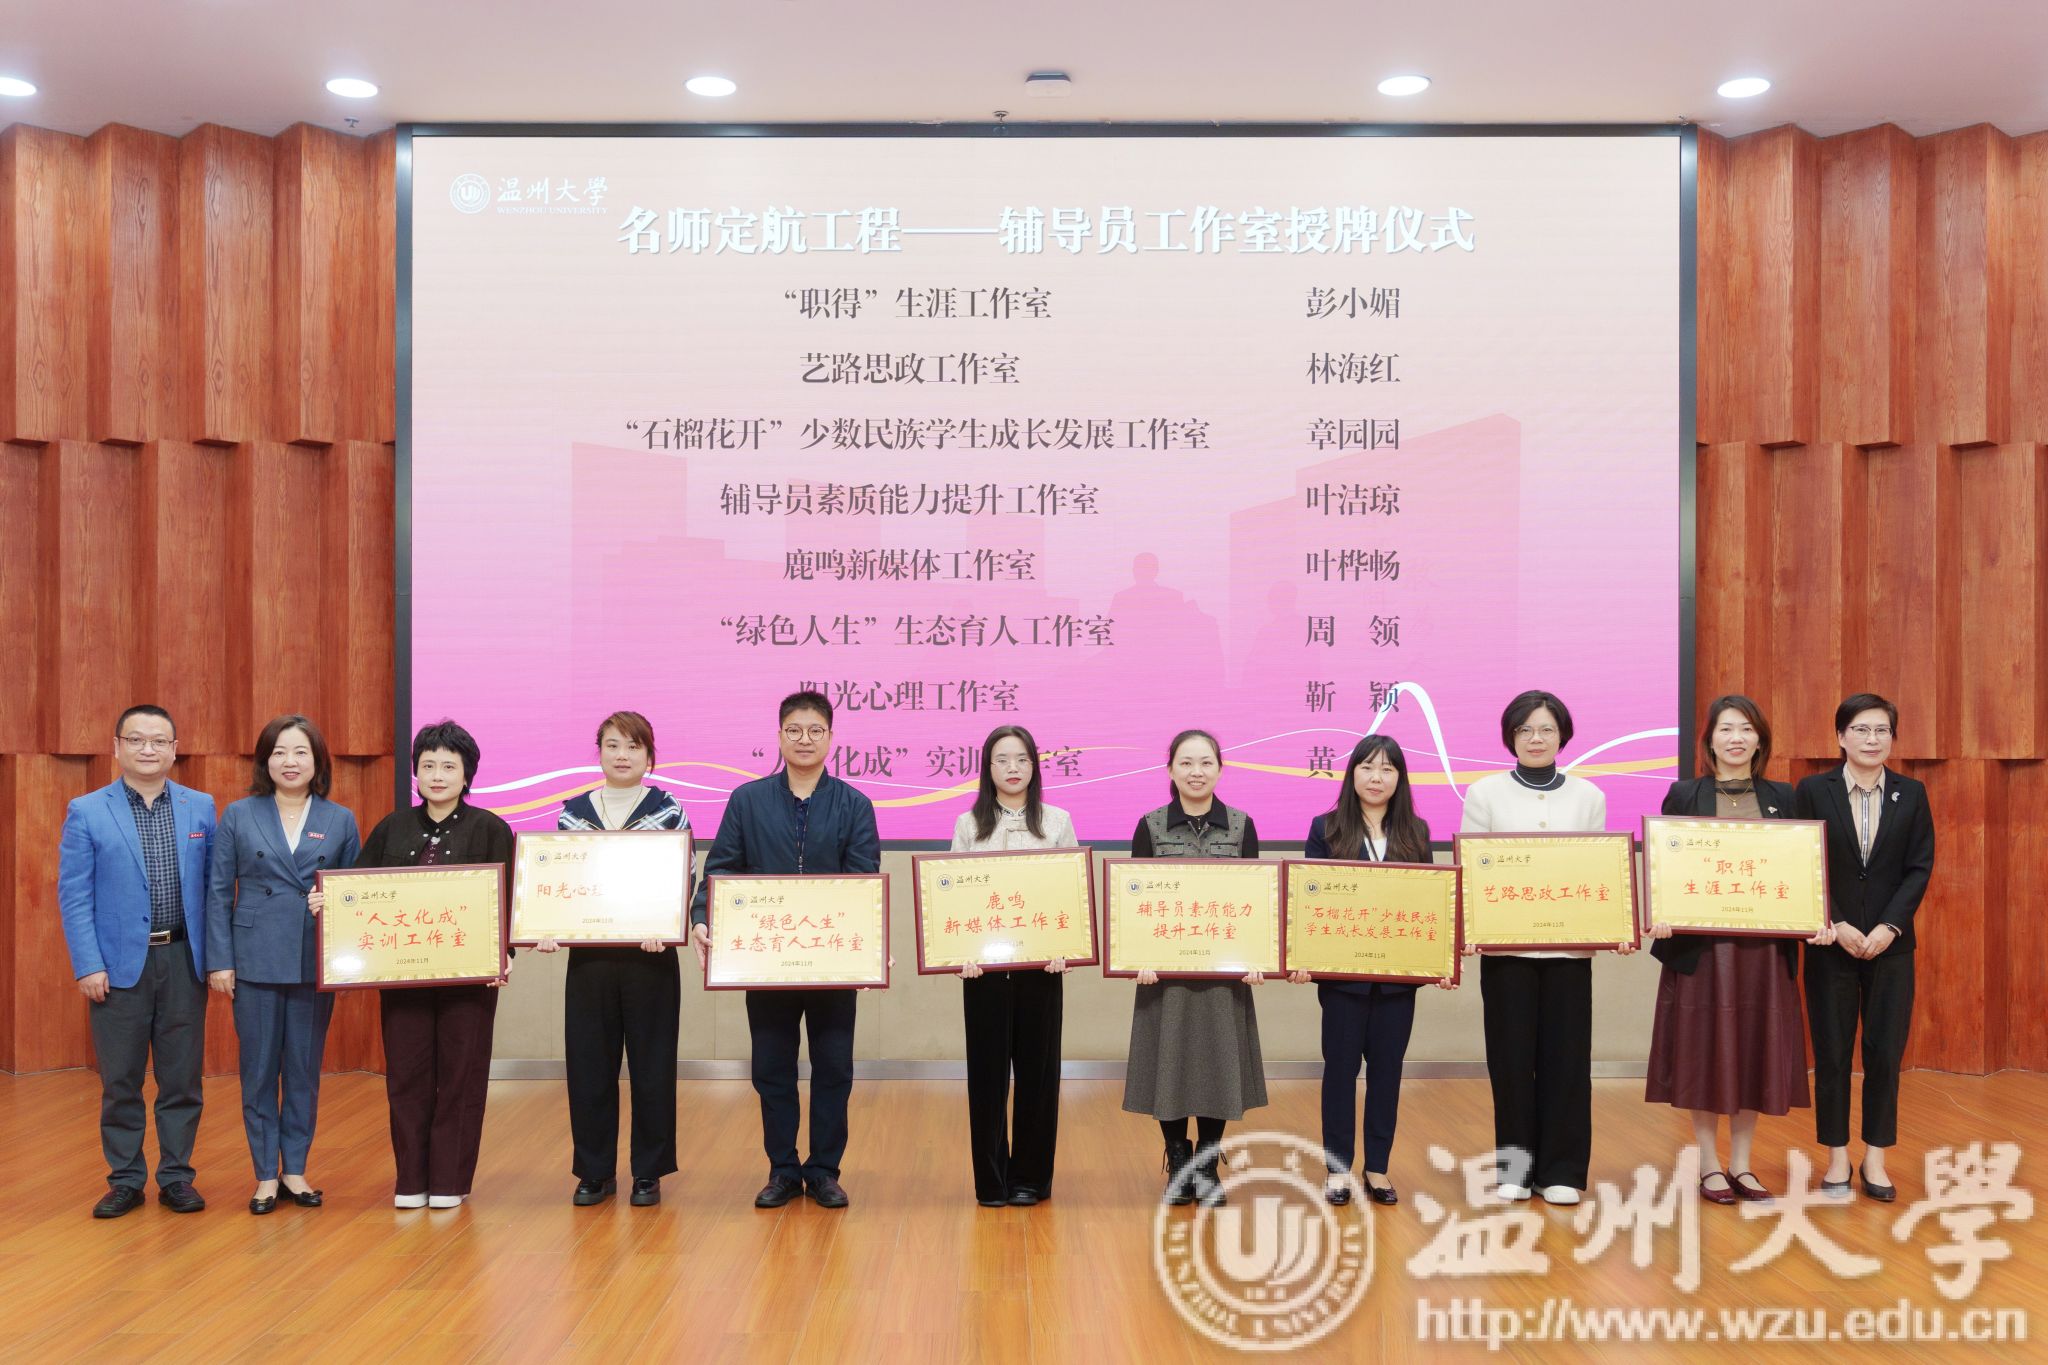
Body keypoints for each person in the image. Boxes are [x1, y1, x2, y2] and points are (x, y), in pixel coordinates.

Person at [690, 690, 881, 1211]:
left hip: (832, 962)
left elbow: (863, 883)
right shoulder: (747, 800)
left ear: (831, 738)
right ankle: (782, 1169)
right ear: (779, 736)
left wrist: (868, 945)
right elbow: (721, 870)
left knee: (834, 1069)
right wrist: (703, 918)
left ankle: (824, 1172)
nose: (804, 739)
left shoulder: (854, 805)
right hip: (766, 959)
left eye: (815, 730)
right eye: (794, 730)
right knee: (772, 1068)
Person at [1646, 696, 1831, 1204]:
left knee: (1753, 1050)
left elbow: (1801, 868)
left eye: (1746, 729)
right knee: (1702, 1051)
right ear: (1709, 741)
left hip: (1763, 951)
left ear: (1759, 740)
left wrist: (1813, 918)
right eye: (1725, 729)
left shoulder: (1783, 797)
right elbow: (1666, 868)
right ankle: (1709, 1163)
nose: (1736, 738)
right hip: (1700, 952)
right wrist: (1662, 911)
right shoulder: (1684, 794)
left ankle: (1743, 1165)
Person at [1459, 689, 1634, 1206]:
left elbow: (1597, 870)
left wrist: (1615, 924)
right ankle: (1514, 1170)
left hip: (1568, 951)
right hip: (1506, 951)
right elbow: (1472, 870)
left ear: (1563, 736)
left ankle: (1562, 1171)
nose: (1535, 739)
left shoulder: (1588, 796)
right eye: (1525, 730)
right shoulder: (1485, 793)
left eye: (1546, 730)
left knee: (1567, 1060)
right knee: (1510, 1062)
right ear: (1510, 737)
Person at [342, 720, 515, 1209]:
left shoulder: (490, 828)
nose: (437, 775)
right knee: (407, 1076)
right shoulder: (392, 827)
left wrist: (504, 954)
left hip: (470, 978)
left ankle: (449, 1182)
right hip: (403, 976)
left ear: (467, 774)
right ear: (416, 772)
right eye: (428, 765)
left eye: (449, 766)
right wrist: (329, 904)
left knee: (462, 1075)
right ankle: (411, 1180)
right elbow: (357, 890)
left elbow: (507, 900)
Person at [57, 705, 217, 1218]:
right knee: (120, 1080)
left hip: (184, 960)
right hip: (118, 966)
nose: (148, 749)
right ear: (117, 746)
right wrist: (88, 964)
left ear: (174, 749)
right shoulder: (88, 810)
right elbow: (74, 895)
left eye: (159, 741)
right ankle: (125, 1179)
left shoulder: (201, 807)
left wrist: (216, 958)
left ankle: (177, 1177)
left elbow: (214, 890)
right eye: (137, 740)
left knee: (182, 1079)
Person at [204, 715, 361, 1215]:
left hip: (313, 961)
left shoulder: (340, 819)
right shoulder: (238, 814)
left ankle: (295, 1169)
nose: (289, 762)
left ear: (317, 761)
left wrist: (334, 911)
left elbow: (356, 895)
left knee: (303, 1070)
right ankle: (265, 1177)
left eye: (300, 752)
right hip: (253, 959)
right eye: (279, 752)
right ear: (264, 761)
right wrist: (220, 961)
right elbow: (217, 891)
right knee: (257, 1071)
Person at [534, 710, 687, 1208]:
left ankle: (649, 1170)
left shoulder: (669, 810)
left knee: (653, 1066)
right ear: (598, 752)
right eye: (613, 745)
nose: (623, 755)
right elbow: (556, 886)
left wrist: (666, 925)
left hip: (651, 957)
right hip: (590, 961)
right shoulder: (573, 814)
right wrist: (548, 926)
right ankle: (594, 1171)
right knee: (589, 1065)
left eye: (634, 746)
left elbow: (682, 878)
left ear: (649, 755)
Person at [1289, 735, 1449, 1207]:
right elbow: (1310, 901)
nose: (1376, 778)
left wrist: (1439, 960)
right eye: (1367, 767)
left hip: (1398, 982)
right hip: (1343, 982)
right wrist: (1302, 956)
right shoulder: (1326, 828)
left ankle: (1377, 1166)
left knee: (1387, 1074)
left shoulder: (1416, 832)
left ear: (1400, 778)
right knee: (1339, 1073)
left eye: (1387, 769)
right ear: (1352, 773)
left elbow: (1430, 904)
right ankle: (1337, 1169)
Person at [1795, 693, 1934, 1203]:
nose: (1871, 739)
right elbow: (1802, 860)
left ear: (1892, 738)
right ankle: (1836, 1157)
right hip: (1831, 943)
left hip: (1890, 948)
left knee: (1884, 1054)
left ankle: (1876, 1157)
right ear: (1841, 736)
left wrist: (1890, 927)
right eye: (1860, 729)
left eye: (1881, 730)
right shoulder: (1814, 790)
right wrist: (1836, 922)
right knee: (1832, 1054)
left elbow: (1919, 867)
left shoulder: (1911, 793)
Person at [1122, 729, 1268, 1208]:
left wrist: (1256, 958)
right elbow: (1134, 906)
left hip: (1223, 976)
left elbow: (1255, 904)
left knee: (1218, 1066)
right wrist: (1138, 959)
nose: (1196, 772)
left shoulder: (1242, 825)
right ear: (1170, 770)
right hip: (1165, 977)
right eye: (1186, 763)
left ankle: (1207, 1165)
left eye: (1206, 762)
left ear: (1220, 769)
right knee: (1169, 1064)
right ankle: (1178, 1161)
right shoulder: (1150, 825)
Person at [949, 724, 1077, 1208]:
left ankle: (1031, 1179)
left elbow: (1070, 895)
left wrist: (1066, 945)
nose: (1012, 768)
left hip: (1041, 973)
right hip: (983, 975)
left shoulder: (1058, 822)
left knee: (1038, 1079)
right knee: (986, 1078)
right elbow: (952, 899)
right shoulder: (968, 825)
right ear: (988, 768)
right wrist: (958, 952)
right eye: (1002, 760)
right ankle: (991, 1182)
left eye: (1022, 759)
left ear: (1034, 766)